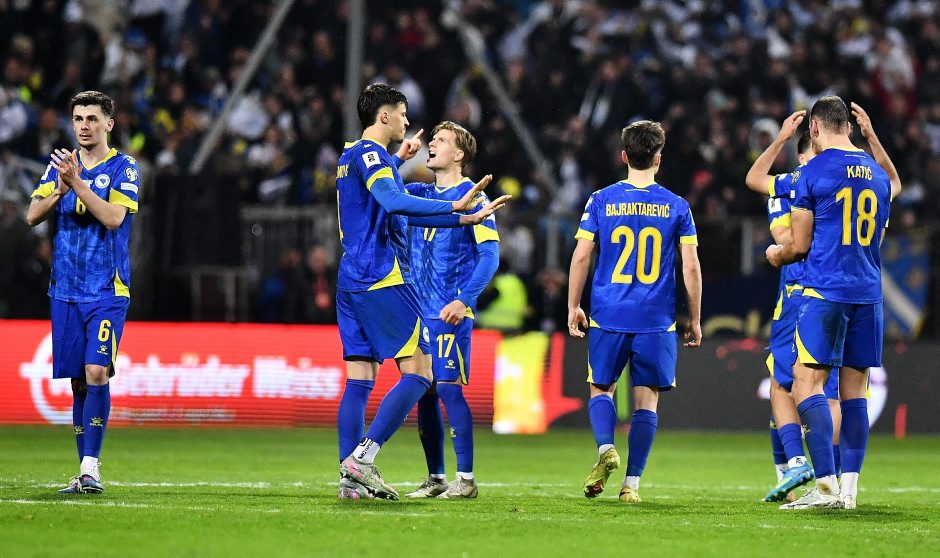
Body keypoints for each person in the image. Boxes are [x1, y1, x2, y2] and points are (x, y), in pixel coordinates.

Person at [334, 84, 505, 500]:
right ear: (385, 116)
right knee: (421, 373)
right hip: (380, 276)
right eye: (403, 113)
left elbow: (390, 201)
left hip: (350, 277)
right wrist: (454, 209)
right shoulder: (372, 156)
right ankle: (363, 459)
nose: (408, 123)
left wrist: (462, 218)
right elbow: (394, 201)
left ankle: (350, 481)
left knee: (360, 378)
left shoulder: (349, 157)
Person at [767, 97, 892, 510]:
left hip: (825, 291)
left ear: (815, 128)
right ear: (850, 128)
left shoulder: (812, 172)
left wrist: (777, 255)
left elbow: (800, 245)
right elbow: (878, 235)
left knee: (805, 382)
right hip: (868, 294)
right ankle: (849, 491)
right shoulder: (877, 174)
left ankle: (824, 486)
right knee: (855, 394)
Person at [567, 120, 702, 503]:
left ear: (624, 156)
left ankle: (605, 448)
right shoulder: (677, 206)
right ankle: (631, 485)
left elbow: (582, 255)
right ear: (658, 158)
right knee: (646, 401)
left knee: (601, 389)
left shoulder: (600, 200)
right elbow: (691, 267)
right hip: (656, 319)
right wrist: (694, 318)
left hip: (609, 313)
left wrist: (574, 305)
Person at [25, 91, 141, 494]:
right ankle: (83, 472)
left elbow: (113, 218)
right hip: (65, 289)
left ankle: (92, 467)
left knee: (96, 371)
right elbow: (31, 215)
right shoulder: (61, 166)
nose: (84, 126)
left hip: (107, 288)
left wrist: (77, 183)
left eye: (92, 118)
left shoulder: (124, 167)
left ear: (109, 123)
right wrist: (60, 188)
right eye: (78, 119)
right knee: (78, 380)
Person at [402, 121, 501, 499]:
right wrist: (399, 158)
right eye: (433, 139)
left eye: (441, 140)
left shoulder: (473, 196)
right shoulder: (420, 193)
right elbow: (379, 190)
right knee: (424, 391)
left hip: (449, 310)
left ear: (459, 154)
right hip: (417, 309)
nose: (432, 144)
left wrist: (464, 300)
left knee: (447, 387)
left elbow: (490, 256)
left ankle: (467, 479)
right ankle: (436, 477)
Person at [745, 114, 839, 502]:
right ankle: (825, 480)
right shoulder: (816, 181)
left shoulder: (805, 181)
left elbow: (787, 239)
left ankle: (805, 468)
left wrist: (784, 249)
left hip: (804, 292)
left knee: (788, 383)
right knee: (814, 386)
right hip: (831, 291)